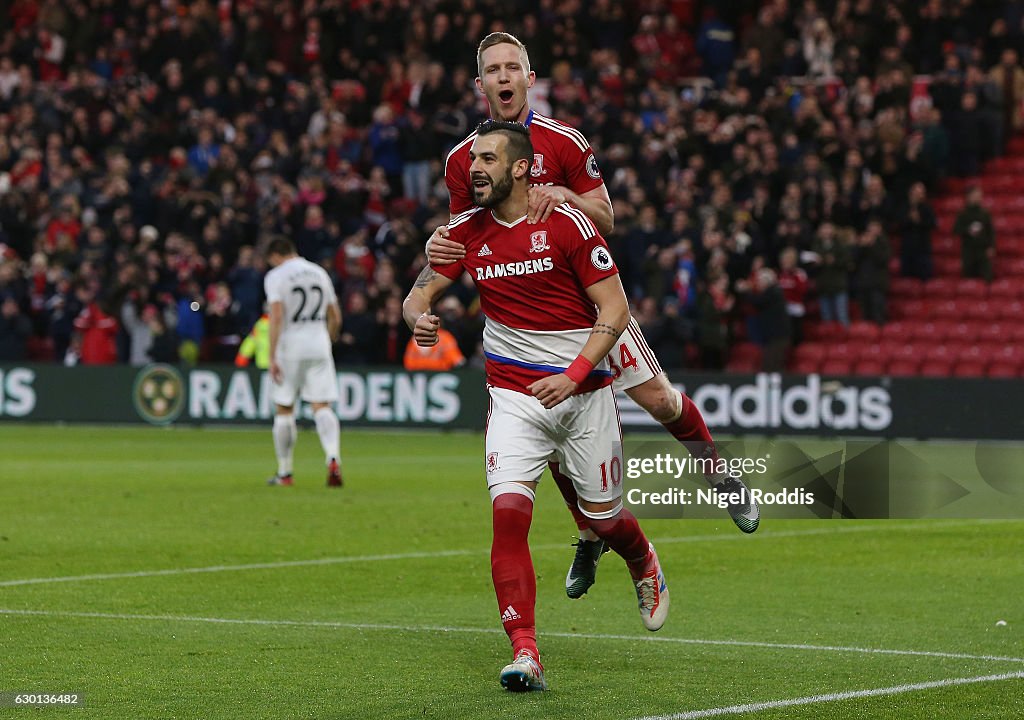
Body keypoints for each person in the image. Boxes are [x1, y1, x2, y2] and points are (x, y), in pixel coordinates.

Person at [428, 32, 759, 603]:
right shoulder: (465, 159)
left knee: (659, 401)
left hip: (591, 306)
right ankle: (589, 532)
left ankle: (718, 472)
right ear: (479, 83)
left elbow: (607, 217)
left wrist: (563, 196)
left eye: (513, 67)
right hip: (530, 320)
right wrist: (437, 252)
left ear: (530, 78)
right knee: (549, 424)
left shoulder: (564, 141)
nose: (504, 77)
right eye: (492, 70)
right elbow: (470, 232)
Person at [403, 122, 669, 692]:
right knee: (508, 518)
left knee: (602, 519)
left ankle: (640, 555)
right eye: (474, 157)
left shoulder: (566, 225)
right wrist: (417, 316)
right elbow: (419, 290)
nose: (475, 167)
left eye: (490, 159)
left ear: (520, 167)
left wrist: (574, 377)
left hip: (584, 396)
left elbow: (615, 310)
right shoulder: (466, 232)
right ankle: (526, 651)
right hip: (514, 398)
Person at [263, 237, 343, 488]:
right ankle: (333, 456)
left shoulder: (276, 276)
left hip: (290, 345)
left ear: (275, 255)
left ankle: (285, 473)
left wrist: (272, 355)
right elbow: (335, 316)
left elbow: (276, 316)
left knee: (285, 408)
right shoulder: (319, 272)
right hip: (318, 343)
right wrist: (327, 340)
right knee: (322, 406)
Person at [954, 185, 995, 283]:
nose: (979, 197)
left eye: (980, 195)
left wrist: (991, 247)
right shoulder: (962, 213)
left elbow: (991, 231)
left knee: (988, 278)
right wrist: (968, 230)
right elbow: (956, 230)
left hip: (982, 251)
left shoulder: (985, 213)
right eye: (976, 195)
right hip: (968, 251)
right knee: (968, 279)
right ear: (969, 197)